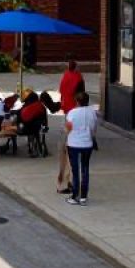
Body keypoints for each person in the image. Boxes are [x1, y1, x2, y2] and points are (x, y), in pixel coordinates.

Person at [56, 59, 86, 195]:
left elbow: (61, 92)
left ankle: (62, 179)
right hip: (75, 113)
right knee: (71, 148)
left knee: (64, 146)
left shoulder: (65, 76)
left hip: (66, 112)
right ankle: (69, 181)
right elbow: (82, 95)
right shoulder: (78, 77)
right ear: (77, 66)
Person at [65, 91, 99, 206]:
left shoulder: (72, 113)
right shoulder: (92, 113)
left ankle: (75, 196)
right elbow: (94, 128)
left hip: (73, 144)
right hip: (87, 144)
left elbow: (68, 128)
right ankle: (84, 197)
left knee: (75, 171)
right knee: (85, 169)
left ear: (77, 101)